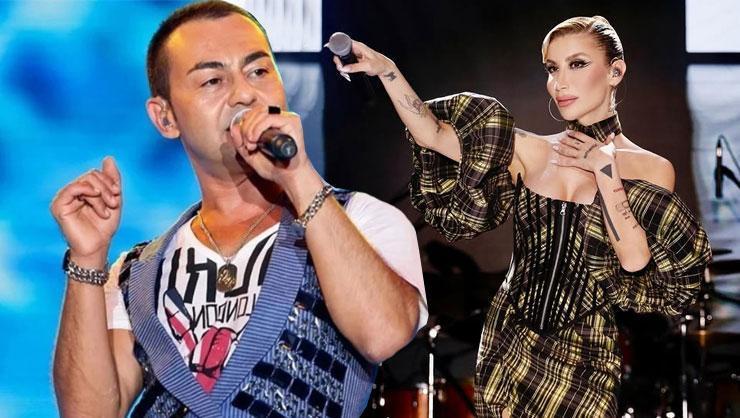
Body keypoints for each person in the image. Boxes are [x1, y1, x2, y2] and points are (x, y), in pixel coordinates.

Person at [50, 1, 427, 416]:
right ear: (165, 118)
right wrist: (87, 259)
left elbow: (383, 335)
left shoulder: (362, 221)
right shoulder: (136, 273)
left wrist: (299, 176)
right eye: (213, 80)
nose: (245, 94)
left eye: (259, 71)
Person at [336, 16, 712, 417]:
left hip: (585, 354)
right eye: (552, 68)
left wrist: (606, 171)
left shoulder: (651, 168)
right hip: (508, 342)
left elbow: (633, 260)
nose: (560, 82)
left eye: (577, 64)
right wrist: (387, 70)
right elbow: (432, 133)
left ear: (615, 72)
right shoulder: (531, 151)